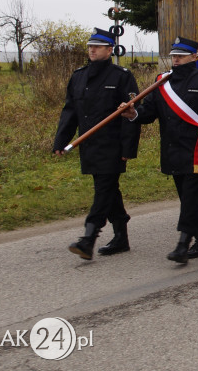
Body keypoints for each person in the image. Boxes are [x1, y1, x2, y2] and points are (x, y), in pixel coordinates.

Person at [122, 36, 198, 263]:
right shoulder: (161, 83)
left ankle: (182, 245)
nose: (175, 60)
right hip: (172, 149)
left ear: (193, 56)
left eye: (180, 56)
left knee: (189, 199)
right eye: (173, 56)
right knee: (187, 198)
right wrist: (134, 114)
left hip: (196, 150)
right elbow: (149, 112)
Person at [54, 28, 141, 260]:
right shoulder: (78, 76)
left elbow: (133, 114)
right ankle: (121, 236)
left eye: (98, 46)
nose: (92, 50)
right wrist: (61, 140)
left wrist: (128, 149)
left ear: (110, 50)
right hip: (89, 145)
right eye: (90, 46)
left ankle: (88, 237)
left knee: (104, 189)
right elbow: (70, 111)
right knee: (108, 191)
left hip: (112, 146)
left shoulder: (122, 76)